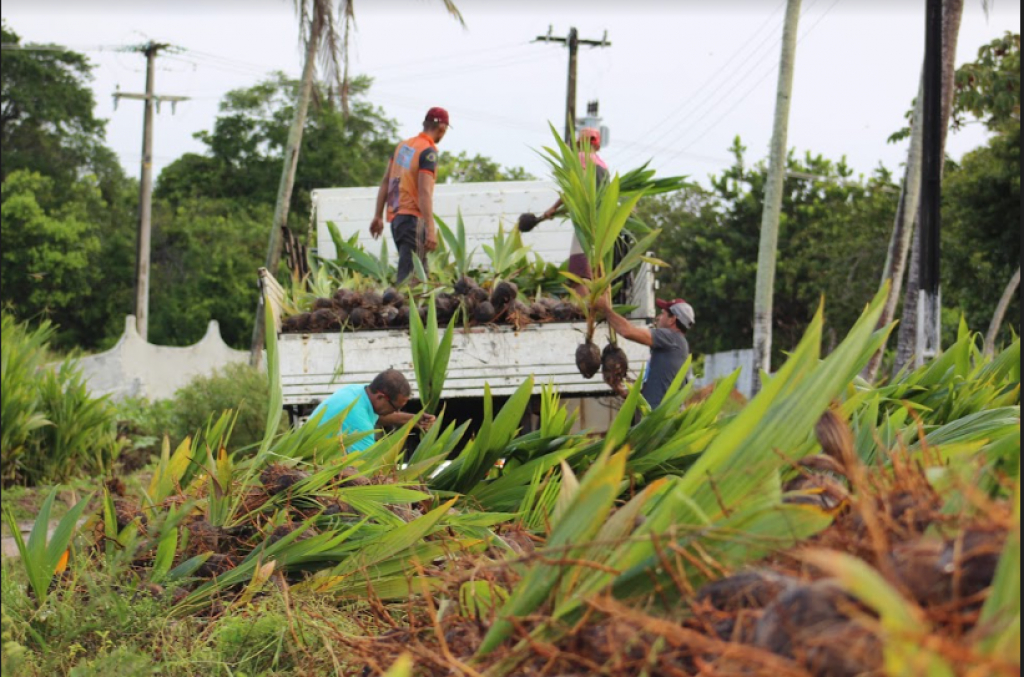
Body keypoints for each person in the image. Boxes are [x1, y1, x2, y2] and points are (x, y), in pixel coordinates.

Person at [370, 107, 451, 284]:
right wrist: (430, 228)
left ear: (424, 124)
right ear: (442, 128)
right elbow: (424, 192)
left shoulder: (403, 147)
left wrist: (378, 215)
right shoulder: (428, 152)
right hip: (413, 220)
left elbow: (386, 181)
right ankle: (403, 310)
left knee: (419, 275)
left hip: (397, 218)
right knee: (410, 280)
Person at [535, 127, 609, 283]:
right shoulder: (603, 166)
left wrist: (554, 207)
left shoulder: (582, 158)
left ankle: (583, 305)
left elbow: (575, 188)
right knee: (596, 272)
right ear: (597, 144)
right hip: (602, 224)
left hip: (586, 223)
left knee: (579, 273)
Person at [596, 295, 694, 410]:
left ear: (672, 319)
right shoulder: (677, 344)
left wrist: (606, 310)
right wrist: (623, 392)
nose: (658, 317)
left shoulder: (671, 337)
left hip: (659, 418)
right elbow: (657, 388)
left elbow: (627, 331)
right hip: (657, 414)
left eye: (662, 314)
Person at [309, 369, 435, 452]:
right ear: (380, 396)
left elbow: (376, 416)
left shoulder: (357, 391)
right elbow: (370, 465)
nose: (396, 412)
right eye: (395, 408)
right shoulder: (357, 418)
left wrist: (413, 419)